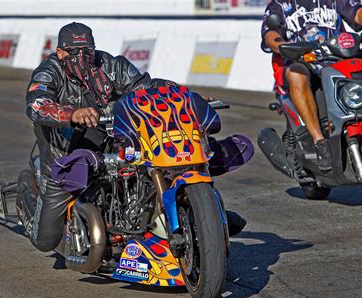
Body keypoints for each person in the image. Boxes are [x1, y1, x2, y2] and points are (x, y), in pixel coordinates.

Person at [16, 22, 249, 253]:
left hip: (112, 140)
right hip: (63, 155)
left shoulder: (111, 65)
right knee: (46, 240)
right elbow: (37, 104)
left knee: (160, 163)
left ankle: (199, 214)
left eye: (88, 50)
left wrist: (186, 97)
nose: (83, 57)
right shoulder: (49, 71)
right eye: (75, 52)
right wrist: (72, 113)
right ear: (60, 52)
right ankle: (27, 193)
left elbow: (145, 88)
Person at [261, 0, 362, 171]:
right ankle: (320, 142)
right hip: (299, 60)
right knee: (296, 74)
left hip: (337, 58)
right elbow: (270, 34)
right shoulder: (279, 5)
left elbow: (358, 13)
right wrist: (284, 45)